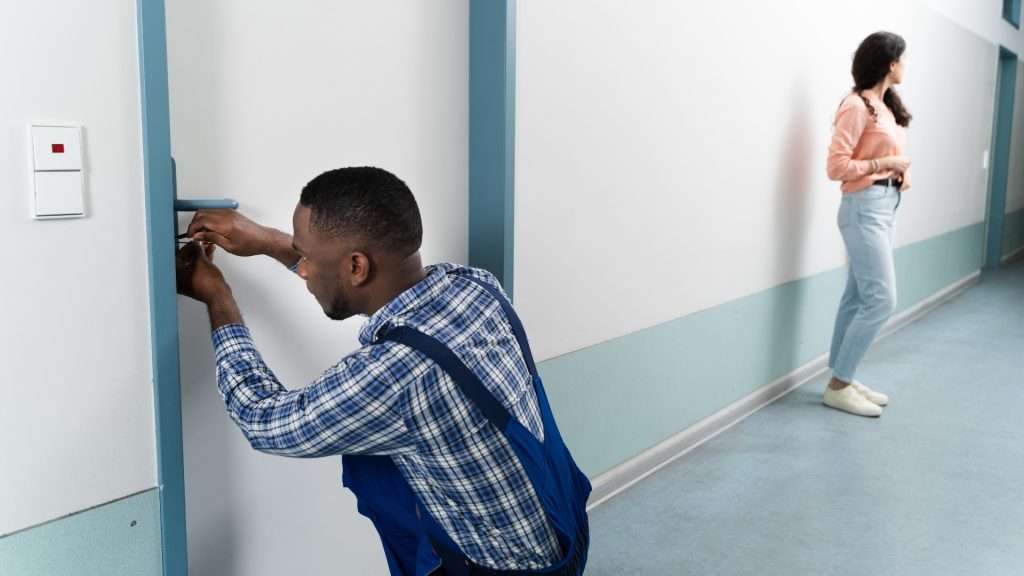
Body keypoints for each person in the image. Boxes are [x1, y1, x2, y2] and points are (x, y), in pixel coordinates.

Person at [175, 166, 590, 575]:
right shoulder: (474, 286)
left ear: (356, 267)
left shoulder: (394, 377)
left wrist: (218, 297)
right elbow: (385, 302)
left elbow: (264, 420)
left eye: (305, 258)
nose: (301, 268)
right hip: (560, 525)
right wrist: (269, 242)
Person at [825, 31, 913, 417]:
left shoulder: (885, 106)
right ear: (890, 63)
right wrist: (885, 165)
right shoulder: (855, 106)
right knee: (881, 299)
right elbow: (836, 167)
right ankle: (838, 386)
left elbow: (885, 154)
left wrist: (897, 175)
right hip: (862, 207)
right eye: (903, 59)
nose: (906, 66)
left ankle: (842, 376)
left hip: (883, 204)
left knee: (857, 297)